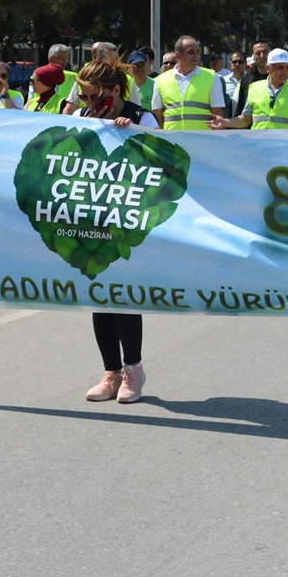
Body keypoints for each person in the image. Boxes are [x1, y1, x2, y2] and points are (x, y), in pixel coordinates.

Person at [73, 56, 160, 404]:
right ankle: (110, 372)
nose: (89, 104)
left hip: (129, 219)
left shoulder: (142, 118)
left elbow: (159, 164)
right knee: (99, 295)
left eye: (95, 97)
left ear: (113, 90)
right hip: (92, 217)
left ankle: (133, 370)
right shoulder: (82, 119)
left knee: (122, 294)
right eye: (84, 97)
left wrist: (133, 136)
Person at [213, 48, 288, 130]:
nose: (284, 71)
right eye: (280, 67)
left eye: (287, 67)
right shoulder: (254, 88)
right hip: (260, 147)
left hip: (287, 148)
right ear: (268, 68)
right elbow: (246, 119)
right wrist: (225, 122)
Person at [151, 36, 226, 131]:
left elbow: (217, 113)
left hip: (202, 141)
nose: (196, 56)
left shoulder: (212, 77)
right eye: (191, 52)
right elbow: (157, 114)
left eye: (197, 52)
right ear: (178, 55)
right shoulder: (160, 80)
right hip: (172, 142)